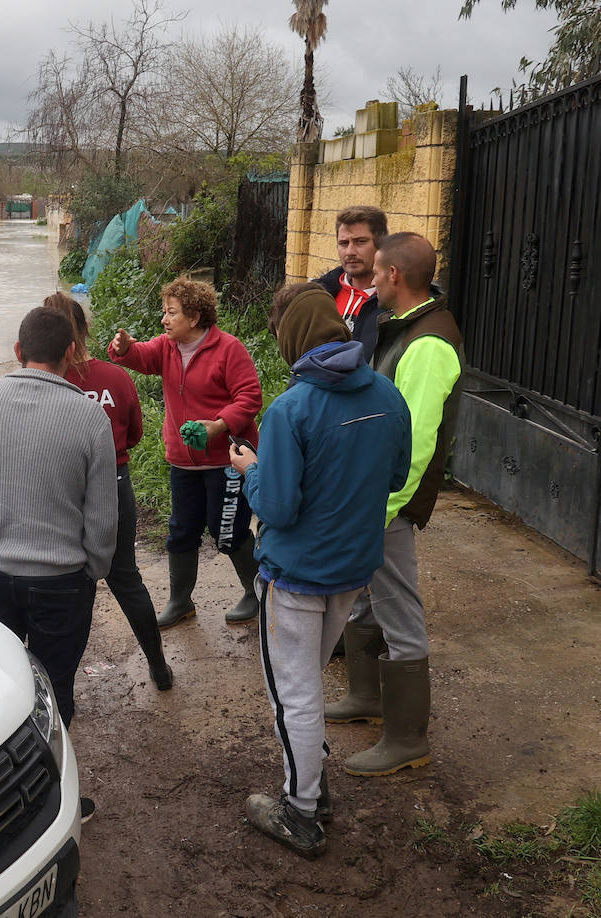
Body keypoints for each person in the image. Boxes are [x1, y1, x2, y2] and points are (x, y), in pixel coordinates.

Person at [229, 284, 411, 859]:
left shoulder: (291, 409)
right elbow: (396, 477)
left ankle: (300, 812)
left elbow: (277, 508)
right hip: (353, 569)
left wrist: (251, 469)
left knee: (295, 695)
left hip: (295, 576)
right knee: (306, 686)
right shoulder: (386, 391)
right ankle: (311, 785)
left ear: (293, 341)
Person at [326, 232, 463, 778]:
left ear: (395, 278)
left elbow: (416, 441)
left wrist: (381, 509)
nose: (367, 281)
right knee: (366, 599)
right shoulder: (404, 328)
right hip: (373, 499)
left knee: (399, 609)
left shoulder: (428, 344)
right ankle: (367, 695)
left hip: (389, 505)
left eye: (375, 274)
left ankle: (408, 738)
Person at [0, 306, 116, 731]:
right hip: (62, 582)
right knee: (55, 687)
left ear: (17, 350)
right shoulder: (89, 417)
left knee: (4, 685)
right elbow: (102, 516)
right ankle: (56, 782)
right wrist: (93, 570)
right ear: (70, 351)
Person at [108, 278, 264, 629]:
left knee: (228, 531)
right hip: (183, 459)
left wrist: (219, 425)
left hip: (227, 461)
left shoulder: (228, 349)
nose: (164, 320)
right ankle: (180, 601)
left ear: (194, 317)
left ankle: (256, 593)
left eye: (172, 313)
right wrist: (124, 347)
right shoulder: (166, 347)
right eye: (164, 311)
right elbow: (140, 357)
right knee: (180, 531)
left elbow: (250, 398)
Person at [45, 291, 172, 691]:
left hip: (60, 493)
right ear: (85, 331)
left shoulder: (43, 383)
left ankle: (59, 689)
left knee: (65, 583)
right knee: (125, 578)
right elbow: (133, 434)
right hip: (114, 487)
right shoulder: (115, 378)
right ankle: (159, 667)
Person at [314, 205, 388, 361]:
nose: (350, 252)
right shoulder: (321, 295)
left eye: (360, 242)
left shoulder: (395, 304)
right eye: (343, 243)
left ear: (382, 244)